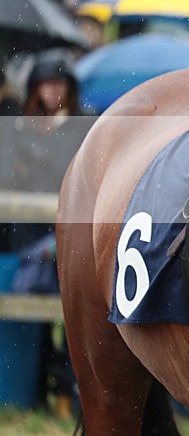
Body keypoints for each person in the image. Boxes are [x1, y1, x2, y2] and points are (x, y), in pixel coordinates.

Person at [0, 48, 93, 419]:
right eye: (45, 85)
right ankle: (34, 392)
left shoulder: (84, 125)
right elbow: (10, 178)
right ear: (35, 88)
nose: (52, 92)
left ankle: (71, 395)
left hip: (70, 238)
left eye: (58, 84)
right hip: (26, 238)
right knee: (29, 328)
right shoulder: (18, 125)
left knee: (76, 325)